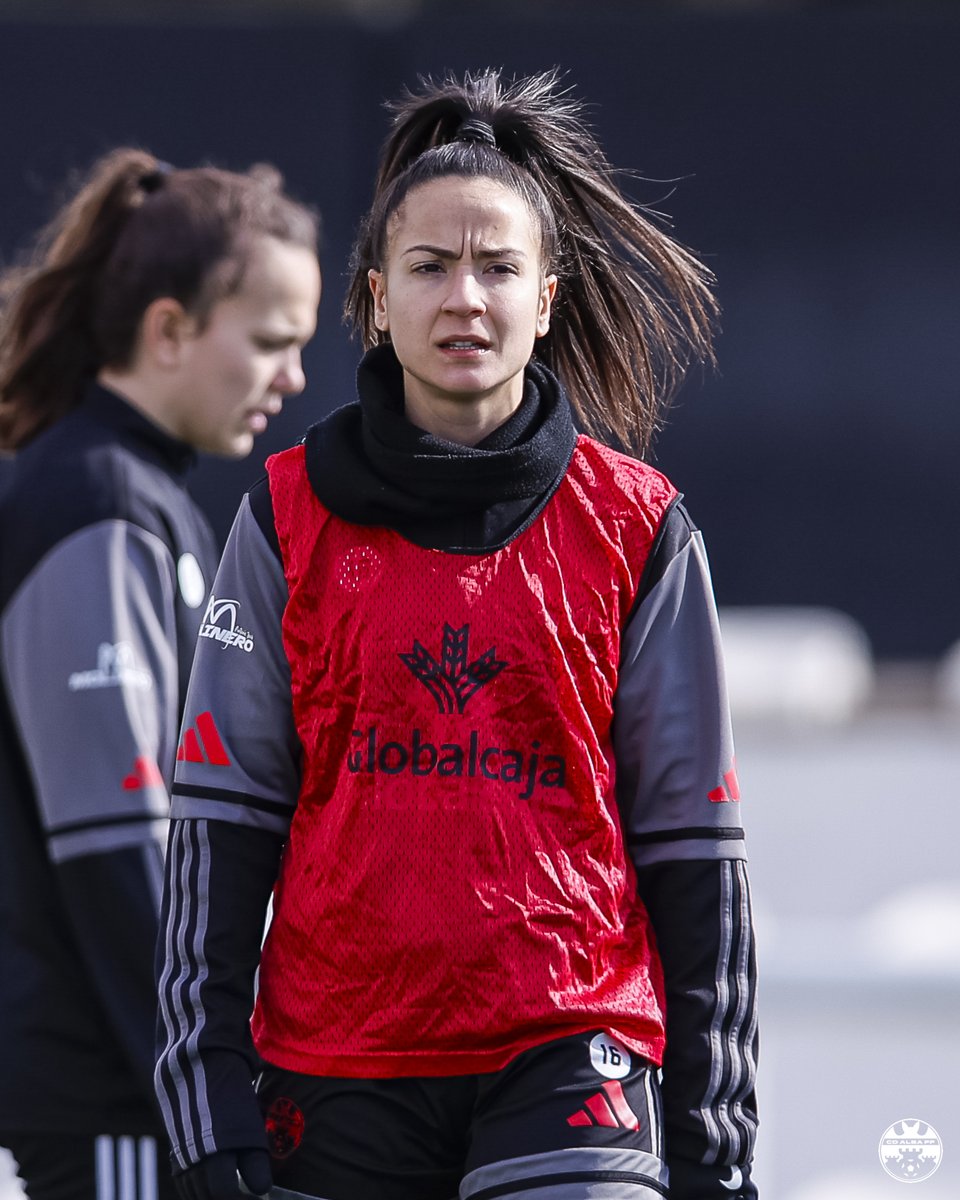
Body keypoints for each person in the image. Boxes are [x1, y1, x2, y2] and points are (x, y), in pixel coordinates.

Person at [155, 68, 759, 1200]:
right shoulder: (281, 518)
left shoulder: (639, 526)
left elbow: (697, 847)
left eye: (498, 267)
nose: (465, 299)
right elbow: (220, 827)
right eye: (431, 268)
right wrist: (207, 1100)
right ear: (378, 298)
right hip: (334, 1063)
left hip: (573, 1046)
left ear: (548, 296)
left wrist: (714, 1140)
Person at [0, 148, 321, 1200]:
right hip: (110, 1109)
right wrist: (210, 1095)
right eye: (272, 342)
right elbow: (114, 840)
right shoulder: (96, 502)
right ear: (170, 329)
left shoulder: (145, 499)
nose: (295, 378)